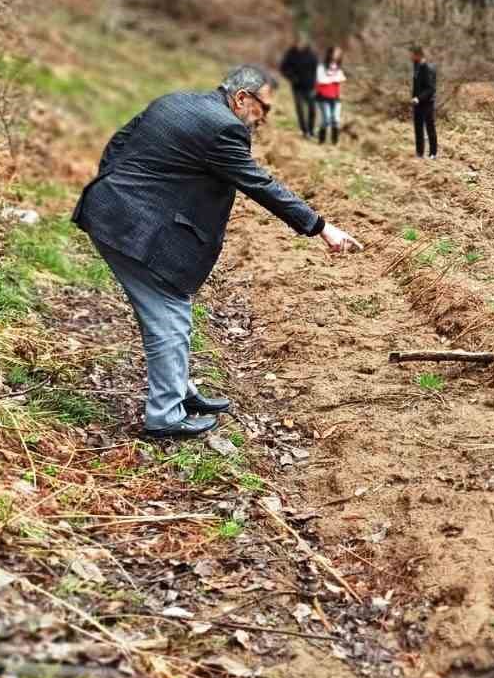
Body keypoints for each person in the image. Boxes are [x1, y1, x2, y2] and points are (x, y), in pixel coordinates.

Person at [73, 64, 363, 438]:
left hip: (112, 211)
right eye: (264, 108)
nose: (263, 119)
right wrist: (321, 227)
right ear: (242, 98)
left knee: (170, 311)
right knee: (170, 318)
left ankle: (178, 391)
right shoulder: (224, 129)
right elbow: (260, 184)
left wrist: (115, 188)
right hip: (128, 226)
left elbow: (118, 142)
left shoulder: (176, 101)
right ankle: (164, 415)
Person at [277, 38, 318, 138]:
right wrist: (292, 78)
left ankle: (311, 130)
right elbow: (283, 68)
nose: (300, 45)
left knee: (312, 109)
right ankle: (304, 131)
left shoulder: (311, 55)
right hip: (297, 87)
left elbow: (316, 70)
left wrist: (315, 83)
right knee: (300, 109)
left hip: (310, 86)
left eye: (302, 43)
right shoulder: (291, 54)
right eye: (298, 42)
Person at [314, 46, 346, 145]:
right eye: (335, 53)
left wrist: (334, 79)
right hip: (323, 97)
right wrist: (334, 78)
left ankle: (334, 142)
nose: (337, 55)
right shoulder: (321, 67)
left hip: (335, 97)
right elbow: (321, 80)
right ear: (330, 54)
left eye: (339, 53)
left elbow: (342, 79)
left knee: (336, 119)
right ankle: (321, 140)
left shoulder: (339, 68)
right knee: (326, 119)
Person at [410, 46, 438, 158]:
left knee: (430, 127)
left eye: (412, 54)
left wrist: (418, 98)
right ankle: (419, 153)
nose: (410, 56)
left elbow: (430, 89)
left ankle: (433, 153)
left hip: (427, 103)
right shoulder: (416, 66)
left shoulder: (427, 68)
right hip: (417, 104)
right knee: (418, 128)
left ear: (418, 55)